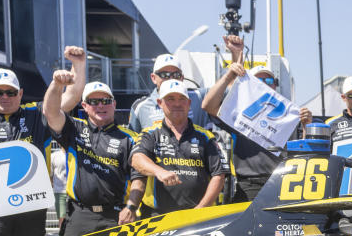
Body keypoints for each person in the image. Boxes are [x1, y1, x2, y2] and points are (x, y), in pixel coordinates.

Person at [0, 47, 85, 236]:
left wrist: (78, 64)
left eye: (11, 92)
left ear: (21, 94)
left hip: (30, 208)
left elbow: (71, 98)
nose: (5, 97)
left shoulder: (35, 114)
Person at [202, 50, 313, 201]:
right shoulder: (240, 113)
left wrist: (307, 125)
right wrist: (229, 75)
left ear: (275, 86)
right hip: (248, 186)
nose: (265, 85)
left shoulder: (289, 116)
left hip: (281, 184)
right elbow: (208, 105)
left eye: (269, 81)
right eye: (259, 81)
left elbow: (303, 152)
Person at [42, 74, 143, 236]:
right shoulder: (74, 128)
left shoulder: (130, 138)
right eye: (94, 102)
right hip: (80, 215)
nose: (100, 105)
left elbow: (139, 177)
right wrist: (56, 85)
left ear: (114, 104)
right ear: (84, 106)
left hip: (116, 216)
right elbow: (50, 113)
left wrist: (131, 207)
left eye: (106, 101)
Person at [131, 80, 226, 214]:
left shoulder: (206, 136)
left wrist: (201, 209)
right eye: (170, 99)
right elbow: (137, 159)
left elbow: (219, 175)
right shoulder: (150, 133)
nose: (177, 104)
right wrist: (159, 171)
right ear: (160, 103)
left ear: (189, 103)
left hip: (198, 214)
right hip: (157, 214)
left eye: (182, 99)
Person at [128, 37, 243, 134]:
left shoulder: (199, 97)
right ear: (153, 78)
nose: (171, 78)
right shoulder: (140, 107)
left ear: (182, 77)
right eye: (164, 74)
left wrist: (236, 55)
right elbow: (134, 146)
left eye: (176, 74)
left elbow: (232, 93)